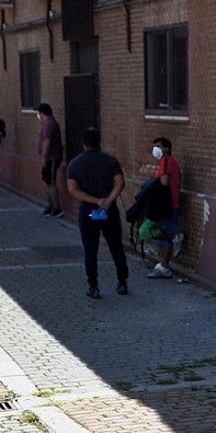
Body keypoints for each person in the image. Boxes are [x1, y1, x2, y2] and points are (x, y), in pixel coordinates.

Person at [66, 128, 129, 299]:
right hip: (109, 211)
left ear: (83, 143)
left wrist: (96, 201)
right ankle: (122, 282)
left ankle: (93, 286)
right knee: (116, 247)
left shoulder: (75, 164)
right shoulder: (110, 161)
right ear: (99, 142)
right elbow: (120, 183)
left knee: (90, 249)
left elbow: (73, 190)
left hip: (89, 211)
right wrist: (108, 200)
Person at [146, 137, 185, 279]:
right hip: (165, 205)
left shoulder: (169, 162)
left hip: (169, 205)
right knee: (161, 234)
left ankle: (165, 266)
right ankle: (164, 263)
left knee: (164, 235)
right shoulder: (164, 162)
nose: (155, 149)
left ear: (167, 148)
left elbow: (164, 182)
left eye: (158, 146)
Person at [36, 103, 65, 217]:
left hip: (52, 158)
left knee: (51, 182)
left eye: (39, 113)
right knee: (48, 181)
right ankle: (50, 206)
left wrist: (43, 158)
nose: (38, 115)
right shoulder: (46, 124)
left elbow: (46, 142)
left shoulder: (50, 125)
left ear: (42, 113)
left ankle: (57, 208)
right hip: (49, 158)